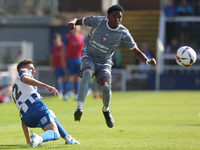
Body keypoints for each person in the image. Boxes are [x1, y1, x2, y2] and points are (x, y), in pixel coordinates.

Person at [67, 5, 156, 128]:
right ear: (108, 16)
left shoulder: (123, 33)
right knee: (87, 74)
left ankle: (106, 110)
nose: (117, 19)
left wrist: (147, 61)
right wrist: (72, 22)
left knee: (105, 89)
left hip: (105, 62)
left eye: (120, 17)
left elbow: (136, 51)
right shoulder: (98, 21)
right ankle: (79, 108)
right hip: (89, 56)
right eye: (114, 16)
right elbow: (78, 20)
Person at [12, 59, 80, 147]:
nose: (34, 71)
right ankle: (39, 138)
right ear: (22, 68)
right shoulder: (23, 71)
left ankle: (67, 138)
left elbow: (23, 121)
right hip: (35, 107)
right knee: (56, 134)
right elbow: (25, 78)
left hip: (26, 118)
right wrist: (46, 86)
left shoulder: (17, 86)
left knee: (51, 113)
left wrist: (28, 141)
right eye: (31, 68)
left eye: (34, 68)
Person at [62, 26, 85, 101]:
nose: (75, 29)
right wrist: (63, 61)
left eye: (77, 28)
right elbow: (63, 49)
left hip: (78, 60)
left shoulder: (82, 37)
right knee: (68, 77)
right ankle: (65, 94)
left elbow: (84, 49)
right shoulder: (67, 37)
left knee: (77, 77)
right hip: (69, 59)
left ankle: (76, 94)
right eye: (74, 28)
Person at [49, 33, 65, 98]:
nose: (56, 41)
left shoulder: (63, 46)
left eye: (58, 39)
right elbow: (51, 58)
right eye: (55, 40)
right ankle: (59, 92)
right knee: (58, 79)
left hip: (64, 65)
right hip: (56, 66)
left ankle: (68, 91)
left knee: (67, 78)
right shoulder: (52, 48)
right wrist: (51, 66)